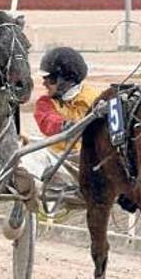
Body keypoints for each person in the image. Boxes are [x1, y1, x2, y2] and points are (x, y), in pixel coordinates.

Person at [21, 46, 100, 206]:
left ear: (66, 79)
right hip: (57, 158)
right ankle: (30, 193)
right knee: (25, 154)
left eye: (49, 79)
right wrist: (64, 125)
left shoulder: (95, 100)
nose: (44, 83)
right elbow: (47, 120)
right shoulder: (45, 102)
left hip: (88, 160)